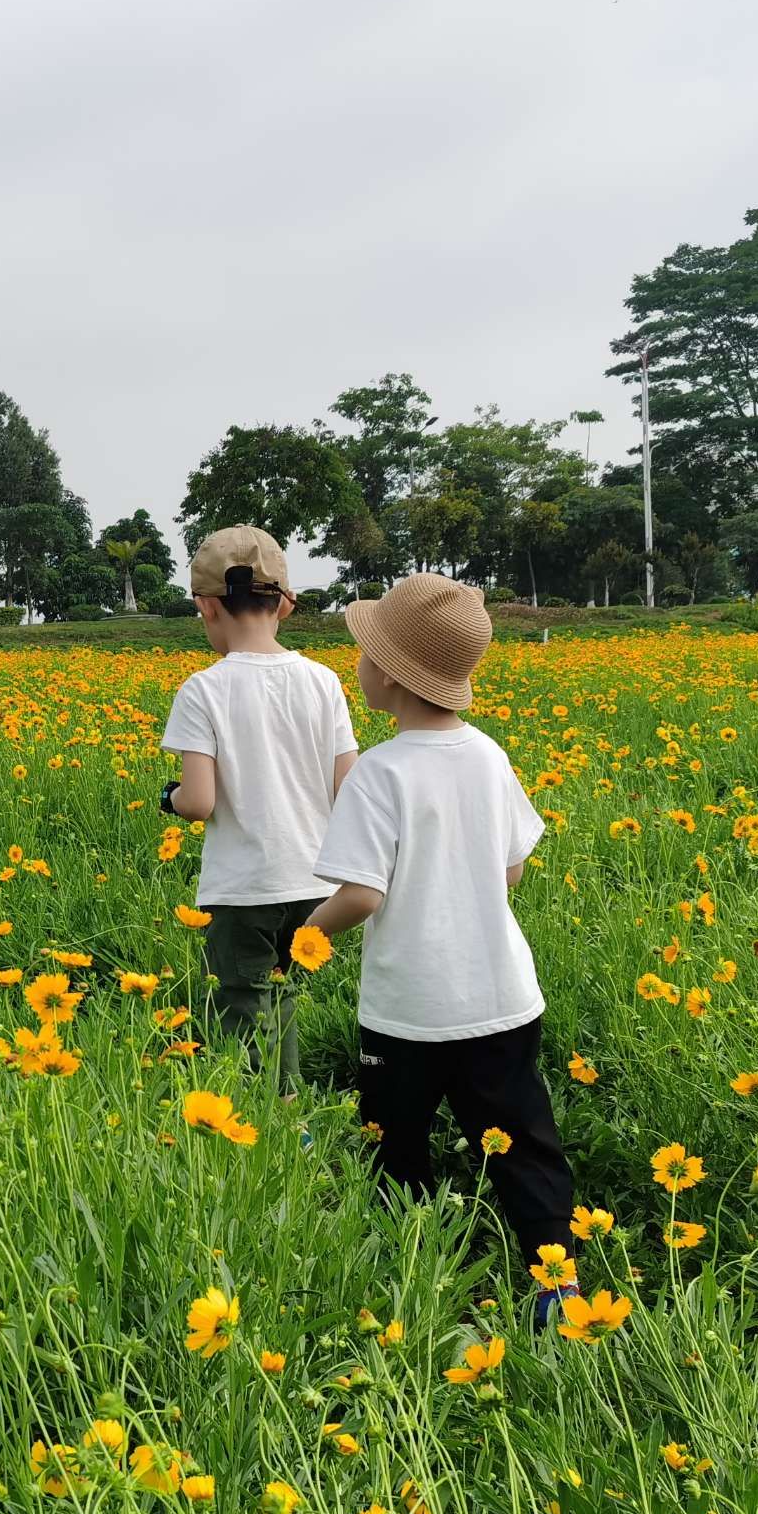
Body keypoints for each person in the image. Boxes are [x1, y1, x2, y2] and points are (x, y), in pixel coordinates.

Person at [302, 571, 576, 1306]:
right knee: (524, 1139)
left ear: (386, 673)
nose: (356, 662)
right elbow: (512, 869)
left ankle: (415, 1270)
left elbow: (361, 894)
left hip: (409, 1010)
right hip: (502, 997)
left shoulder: (379, 772)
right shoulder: (487, 754)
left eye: (363, 650)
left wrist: (303, 937)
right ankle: (558, 1282)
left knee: (394, 1139)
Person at [160, 525, 356, 1096]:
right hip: (314, 879)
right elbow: (349, 788)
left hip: (245, 886)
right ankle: (288, 1102)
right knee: (282, 990)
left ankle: (273, 1117)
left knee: (242, 1003)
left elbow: (198, 802)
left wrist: (169, 798)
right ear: (286, 604)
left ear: (207, 606)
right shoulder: (324, 681)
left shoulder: (203, 689)